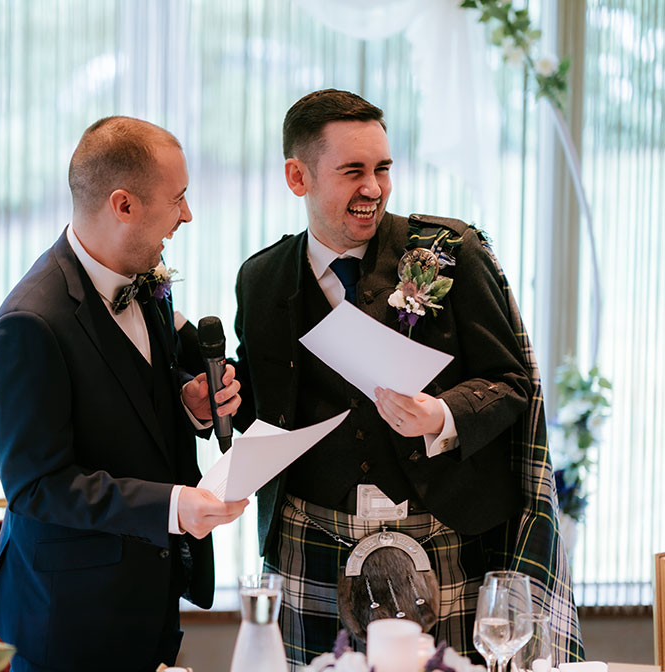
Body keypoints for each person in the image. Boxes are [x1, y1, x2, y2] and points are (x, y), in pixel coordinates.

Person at [232, 89, 583, 667]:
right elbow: (264, 410)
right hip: (311, 538)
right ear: (298, 177)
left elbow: (511, 382)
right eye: (352, 171)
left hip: (446, 531)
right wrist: (215, 404)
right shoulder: (262, 278)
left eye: (382, 168)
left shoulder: (450, 253)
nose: (373, 188)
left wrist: (441, 416)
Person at [0, 116, 249, 672]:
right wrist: (173, 506)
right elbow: (37, 486)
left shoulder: (142, 280)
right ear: (123, 205)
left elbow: (133, 393)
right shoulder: (30, 323)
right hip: (69, 617)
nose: (187, 216)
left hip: (148, 597)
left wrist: (187, 402)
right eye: (177, 199)